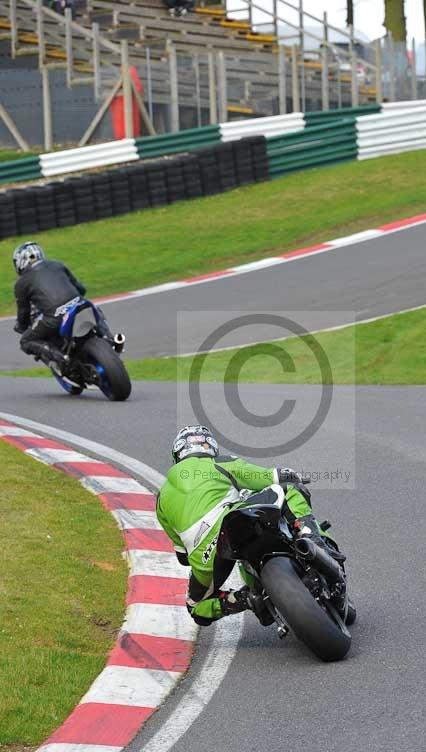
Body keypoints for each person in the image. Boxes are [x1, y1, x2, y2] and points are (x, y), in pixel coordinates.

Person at [156, 424, 345, 627]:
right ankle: (310, 537)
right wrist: (290, 474)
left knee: (196, 608)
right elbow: (269, 477)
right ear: (210, 447)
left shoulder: (160, 500)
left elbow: (183, 557)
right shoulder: (219, 463)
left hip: (205, 557)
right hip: (230, 522)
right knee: (288, 489)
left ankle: (245, 599)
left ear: (177, 454)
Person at [12, 241, 115, 374]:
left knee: (26, 340)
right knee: (90, 306)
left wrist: (21, 327)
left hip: (55, 318)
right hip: (79, 305)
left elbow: (23, 312)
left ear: (21, 262)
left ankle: (61, 358)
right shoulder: (57, 264)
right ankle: (109, 337)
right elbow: (80, 288)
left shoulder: (21, 283)